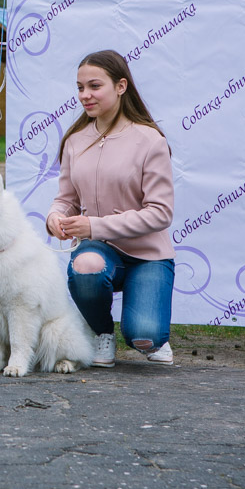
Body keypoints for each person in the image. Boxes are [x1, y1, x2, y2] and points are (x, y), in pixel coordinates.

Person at [45, 50, 175, 368]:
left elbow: (160, 212)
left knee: (145, 336)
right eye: (79, 88)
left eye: (94, 86)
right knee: (86, 264)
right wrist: (54, 216)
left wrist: (95, 226)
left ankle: (150, 333)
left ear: (120, 86)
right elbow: (66, 198)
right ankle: (102, 332)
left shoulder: (150, 140)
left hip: (149, 258)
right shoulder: (75, 141)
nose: (85, 95)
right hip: (99, 254)